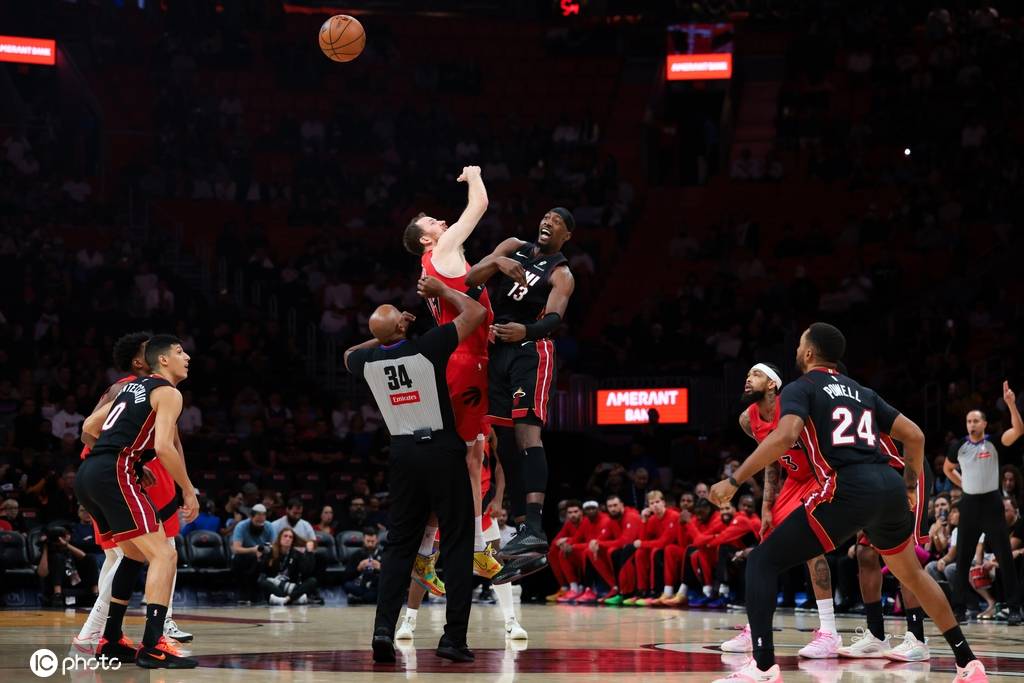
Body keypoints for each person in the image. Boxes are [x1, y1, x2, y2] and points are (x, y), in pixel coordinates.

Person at [709, 322, 988, 683]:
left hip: (847, 486)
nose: (797, 350)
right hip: (888, 486)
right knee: (913, 575)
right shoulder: (861, 391)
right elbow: (915, 435)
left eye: (799, 344)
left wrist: (734, 480)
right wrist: (909, 486)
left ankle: (762, 668)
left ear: (809, 352)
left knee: (762, 561)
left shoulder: (801, 387)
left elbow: (785, 436)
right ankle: (968, 663)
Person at [344, 275, 486, 664]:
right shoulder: (428, 346)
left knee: (399, 546)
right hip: (440, 449)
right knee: (457, 543)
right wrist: (442, 292)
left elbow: (349, 353)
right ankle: (453, 638)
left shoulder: (368, 361)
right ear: (403, 327)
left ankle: (382, 630)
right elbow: (476, 313)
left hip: (403, 454)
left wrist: (384, 336)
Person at [403, 164, 501, 591]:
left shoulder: (443, 260)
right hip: (463, 363)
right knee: (465, 461)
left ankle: (435, 553)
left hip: (467, 357)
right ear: (427, 239)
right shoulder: (441, 251)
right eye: (432, 222)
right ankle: (464, 548)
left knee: (470, 459)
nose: (441, 221)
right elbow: (479, 205)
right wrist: (474, 175)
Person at [73, 335, 199, 669]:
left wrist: (124, 459)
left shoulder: (128, 387)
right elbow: (165, 448)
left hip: (89, 474)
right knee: (165, 554)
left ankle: (111, 639)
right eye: (179, 352)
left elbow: (88, 426)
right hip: (114, 472)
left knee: (132, 554)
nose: (187, 357)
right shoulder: (168, 392)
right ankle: (154, 646)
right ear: (163, 360)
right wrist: (188, 490)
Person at [466, 208, 577, 585]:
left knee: (528, 434)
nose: (548, 222)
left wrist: (525, 331)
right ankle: (520, 531)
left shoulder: (561, 273)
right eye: (546, 217)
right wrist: (497, 261)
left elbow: (555, 319)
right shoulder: (513, 246)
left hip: (531, 352)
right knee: (502, 441)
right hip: (497, 352)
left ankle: (534, 524)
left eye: (557, 222)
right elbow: (471, 277)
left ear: (566, 236)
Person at [721, 362, 842, 658]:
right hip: (793, 482)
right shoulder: (747, 420)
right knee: (763, 553)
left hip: (820, 475)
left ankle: (829, 633)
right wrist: (767, 505)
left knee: (813, 547)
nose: (748, 378)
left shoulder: (793, 406)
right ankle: (755, 629)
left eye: (756, 374)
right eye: (747, 373)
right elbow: (771, 458)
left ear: (773, 384)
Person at [396, 429, 528, 641]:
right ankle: (409, 621)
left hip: (480, 504)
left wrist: (498, 498)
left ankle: (511, 621)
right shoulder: (448, 426)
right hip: (448, 503)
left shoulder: (489, 426)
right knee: (426, 562)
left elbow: (502, 464)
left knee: (495, 560)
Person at [944, 383, 1023, 625]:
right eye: (969, 421)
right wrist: (964, 483)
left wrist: (1011, 404)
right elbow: (947, 468)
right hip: (969, 504)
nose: (972, 425)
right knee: (963, 558)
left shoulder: (994, 442)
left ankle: (1014, 608)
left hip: (991, 503)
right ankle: (958, 609)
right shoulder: (958, 446)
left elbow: (1018, 430)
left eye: (976, 421)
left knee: (1004, 556)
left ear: (984, 424)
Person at [259, 527, 320, 606]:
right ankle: (295, 599)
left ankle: (286, 599)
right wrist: (262, 557)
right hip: (276, 585)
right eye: (285, 536)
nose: (287, 539)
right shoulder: (271, 551)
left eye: (290, 537)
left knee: (312, 581)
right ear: (280, 538)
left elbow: (306, 572)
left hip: (291, 586)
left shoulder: (296, 554)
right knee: (262, 581)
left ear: (292, 541)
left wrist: (309, 553)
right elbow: (263, 570)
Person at [231, 503, 276, 602]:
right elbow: (236, 548)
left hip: (264, 555)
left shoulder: (269, 526)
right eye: (257, 521)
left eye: (262, 521)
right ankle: (244, 592)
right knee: (242, 559)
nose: (260, 523)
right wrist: (254, 550)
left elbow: (274, 546)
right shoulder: (241, 526)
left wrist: (265, 550)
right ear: (251, 517)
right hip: (245, 556)